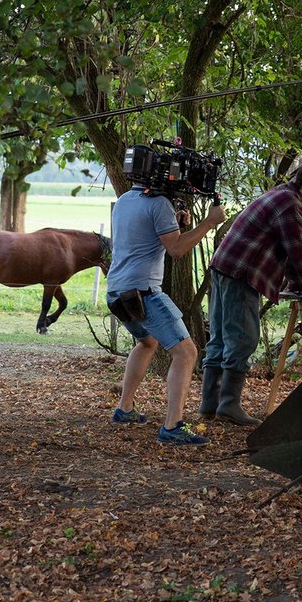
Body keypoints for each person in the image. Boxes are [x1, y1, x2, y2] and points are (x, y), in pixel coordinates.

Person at [202, 163, 302, 426]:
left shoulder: (281, 195)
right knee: (242, 339)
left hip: (225, 266)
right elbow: (298, 248)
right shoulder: (289, 204)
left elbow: (284, 249)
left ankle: (211, 405)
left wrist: (298, 282)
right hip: (240, 273)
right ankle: (227, 405)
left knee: (221, 337)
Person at [105, 183, 226, 445]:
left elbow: (149, 236)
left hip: (116, 291)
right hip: (143, 292)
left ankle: (124, 409)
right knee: (186, 352)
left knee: (147, 342)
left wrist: (176, 224)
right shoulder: (159, 204)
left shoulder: (126, 199)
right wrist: (209, 222)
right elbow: (177, 250)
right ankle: (172, 427)